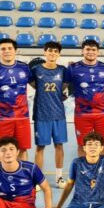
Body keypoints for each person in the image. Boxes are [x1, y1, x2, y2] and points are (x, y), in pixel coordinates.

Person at [0, 38, 32, 162]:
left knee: (23, 149)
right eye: (3, 49)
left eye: (10, 48)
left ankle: (22, 178)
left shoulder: (24, 68)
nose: (7, 51)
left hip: (22, 117)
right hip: (0, 118)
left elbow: (37, 85)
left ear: (15, 51)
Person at [29, 41, 69, 188]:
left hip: (58, 114)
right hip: (41, 115)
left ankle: (59, 178)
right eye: (50, 50)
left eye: (55, 51)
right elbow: (34, 85)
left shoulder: (63, 70)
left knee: (59, 146)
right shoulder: (36, 70)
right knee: (40, 147)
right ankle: (38, 180)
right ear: (45, 52)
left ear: (59, 54)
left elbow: (64, 88)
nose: (52, 53)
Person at [67, 39, 104, 157]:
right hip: (82, 114)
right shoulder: (73, 68)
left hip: (103, 113)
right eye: (87, 49)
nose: (90, 52)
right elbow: (61, 87)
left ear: (98, 52)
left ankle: (103, 172)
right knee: (83, 144)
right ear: (82, 51)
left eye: (93, 49)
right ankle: (83, 173)